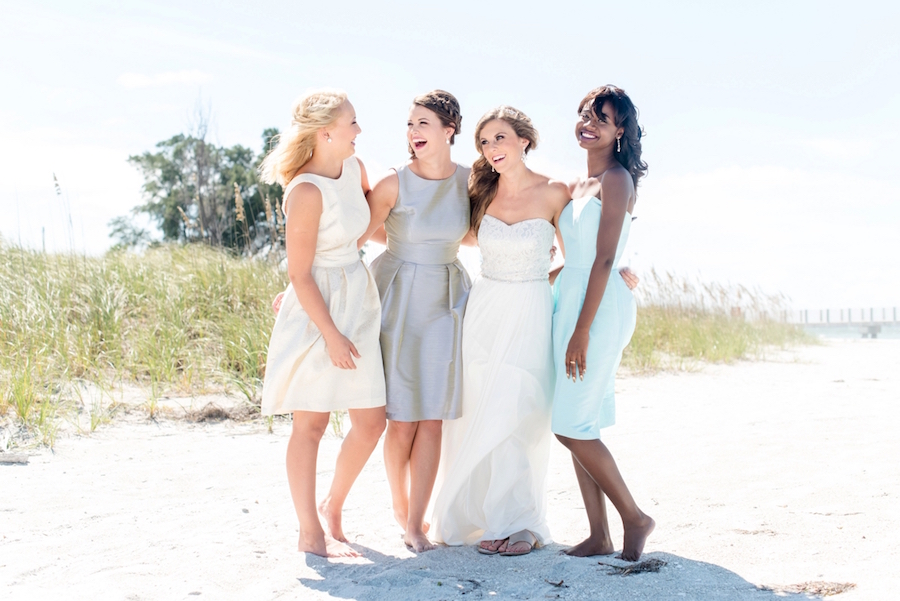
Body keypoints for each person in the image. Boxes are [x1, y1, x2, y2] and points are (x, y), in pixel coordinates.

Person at [431, 106, 570, 556]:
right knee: (480, 410)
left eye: (500, 138)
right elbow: (439, 235)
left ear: (524, 140)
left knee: (520, 410)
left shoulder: (555, 192)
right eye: (485, 142)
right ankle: (485, 519)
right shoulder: (481, 194)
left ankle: (521, 523)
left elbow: (580, 257)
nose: (492, 149)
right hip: (485, 309)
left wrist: (618, 268)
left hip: (529, 309)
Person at [259, 89, 386, 558]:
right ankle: (309, 530)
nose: (359, 130)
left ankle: (333, 503)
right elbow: (299, 271)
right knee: (309, 425)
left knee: (372, 422)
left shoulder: (355, 169)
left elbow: (373, 224)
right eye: (353, 122)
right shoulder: (305, 190)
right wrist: (330, 334)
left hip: (358, 295)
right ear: (326, 131)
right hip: (318, 310)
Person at [360, 90, 473, 552]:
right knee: (402, 418)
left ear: (450, 130)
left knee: (433, 418)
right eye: (410, 124)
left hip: (447, 298)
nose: (413, 133)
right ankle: (400, 508)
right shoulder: (392, 183)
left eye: (423, 123)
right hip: (398, 297)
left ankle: (416, 521)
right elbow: (351, 239)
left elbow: (479, 232)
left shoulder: (472, 181)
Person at [551, 85, 655, 561]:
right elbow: (573, 260)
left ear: (619, 132)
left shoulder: (616, 179)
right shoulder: (574, 185)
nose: (588, 122)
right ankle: (599, 535)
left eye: (602, 117)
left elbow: (605, 258)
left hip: (597, 309)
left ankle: (634, 517)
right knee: (580, 420)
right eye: (584, 114)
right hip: (569, 299)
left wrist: (581, 328)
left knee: (571, 425)